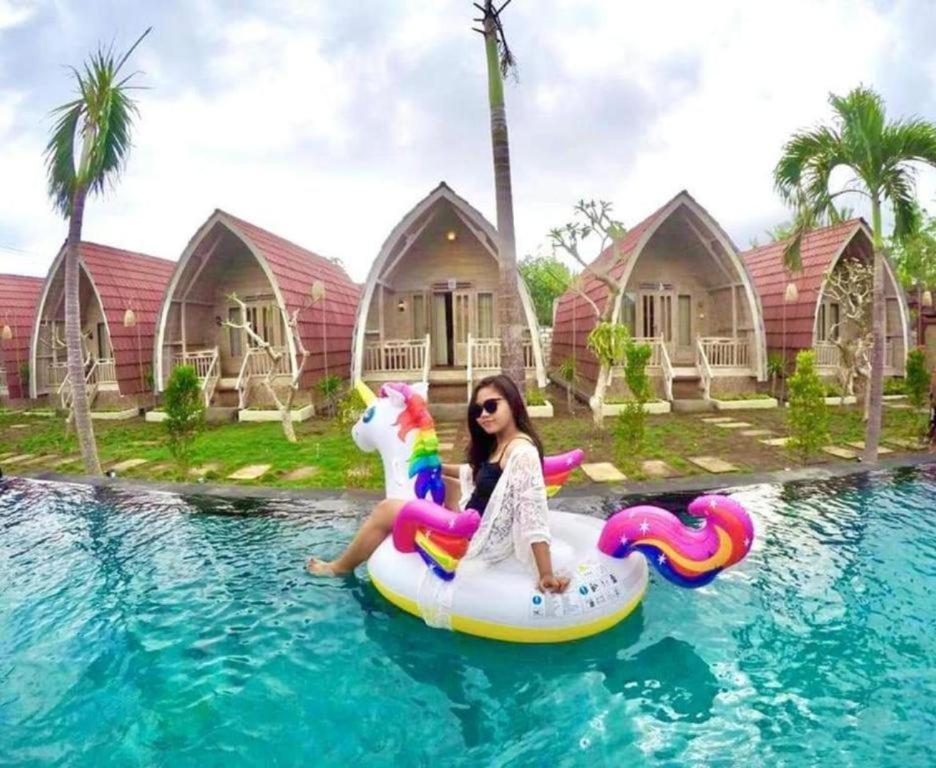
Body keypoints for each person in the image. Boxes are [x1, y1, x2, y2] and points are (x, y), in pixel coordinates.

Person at [307, 374, 569, 593]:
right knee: (438, 481)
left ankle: (339, 567)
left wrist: (545, 573)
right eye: (478, 410)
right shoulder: (503, 441)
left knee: (386, 509)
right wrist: (439, 467)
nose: (484, 415)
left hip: (476, 536)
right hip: (474, 513)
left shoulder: (522, 453)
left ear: (512, 403)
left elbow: (534, 514)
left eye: (491, 406)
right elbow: (479, 474)